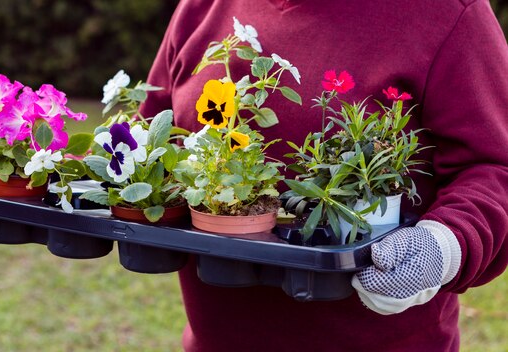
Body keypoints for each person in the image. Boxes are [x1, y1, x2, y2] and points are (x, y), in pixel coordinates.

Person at [139, 0, 508, 350]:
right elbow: (152, 130)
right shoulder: (203, 7)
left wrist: (443, 246)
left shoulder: (447, 13)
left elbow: (494, 165)